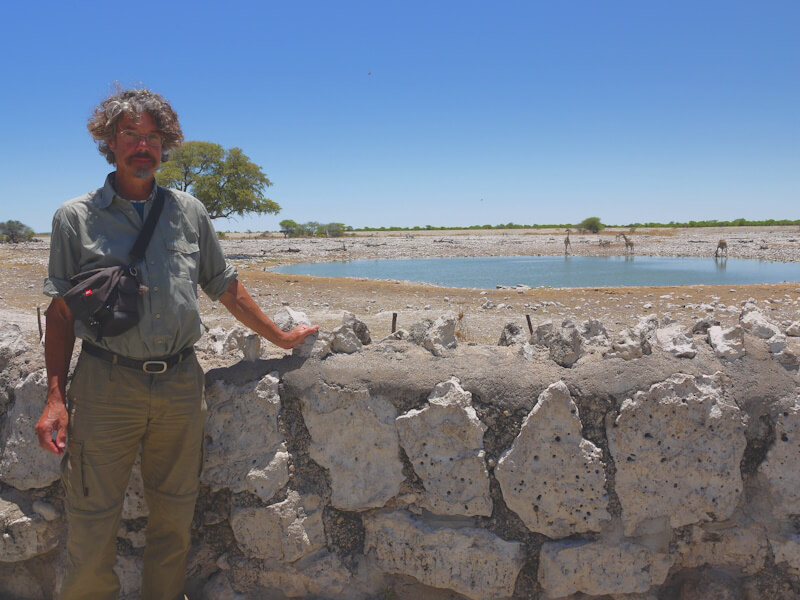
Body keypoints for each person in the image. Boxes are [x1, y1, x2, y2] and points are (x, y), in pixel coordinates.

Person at [34, 86, 318, 600]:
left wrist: (278, 336)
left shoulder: (188, 211)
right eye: (130, 134)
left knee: (174, 521)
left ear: (165, 145)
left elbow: (224, 285)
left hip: (181, 386)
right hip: (105, 386)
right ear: (109, 142)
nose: (142, 146)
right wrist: (55, 397)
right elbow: (60, 314)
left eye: (152, 137)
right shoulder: (75, 217)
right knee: (91, 523)